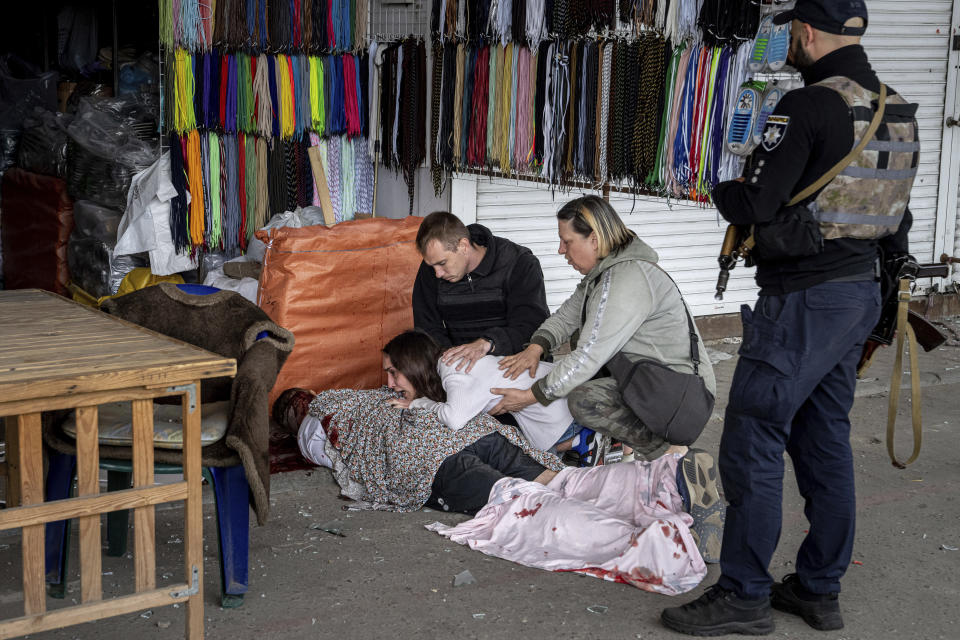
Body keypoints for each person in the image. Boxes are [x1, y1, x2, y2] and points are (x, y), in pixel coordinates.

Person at [661, 2, 917, 636]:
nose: (788, 42)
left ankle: (744, 594)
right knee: (823, 438)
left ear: (806, 33)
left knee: (752, 440)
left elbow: (757, 199)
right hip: (860, 294)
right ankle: (818, 589)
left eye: (791, 32)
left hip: (802, 299)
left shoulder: (807, 106)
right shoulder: (898, 108)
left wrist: (719, 189)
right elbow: (898, 218)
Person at [488, 195, 723, 561]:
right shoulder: (605, 274)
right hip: (655, 385)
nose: (561, 249)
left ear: (594, 239)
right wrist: (537, 345)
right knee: (582, 386)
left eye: (568, 241)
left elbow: (587, 355)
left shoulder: (626, 278)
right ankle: (673, 469)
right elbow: (568, 315)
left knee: (583, 398)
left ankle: (675, 458)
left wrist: (530, 396)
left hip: (681, 396)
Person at [412, 211, 550, 373]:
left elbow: (531, 326)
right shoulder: (433, 268)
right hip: (460, 368)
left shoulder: (519, 262)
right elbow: (426, 327)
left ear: (463, 245)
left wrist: (488, 342)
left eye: (442, 263)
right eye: (432, 266)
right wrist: (451, 360)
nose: (438, 274)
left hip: (514, 366)